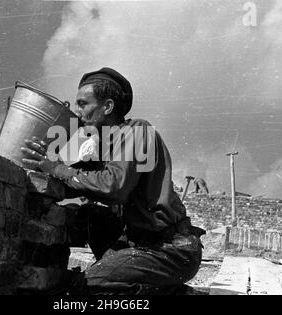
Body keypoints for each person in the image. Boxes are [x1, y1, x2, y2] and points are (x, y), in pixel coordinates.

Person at [21, 67, 205, 295]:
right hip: (143, 246)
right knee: (92, 216)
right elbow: (75, 182)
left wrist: (57, 168)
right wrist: (47, 164)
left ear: (107, 107)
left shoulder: (138, 131)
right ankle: (136, 281)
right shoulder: (103, 149)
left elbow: (112, 186)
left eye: (83, 104)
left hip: (171, 250)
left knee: (87, 287)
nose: (77, 112)